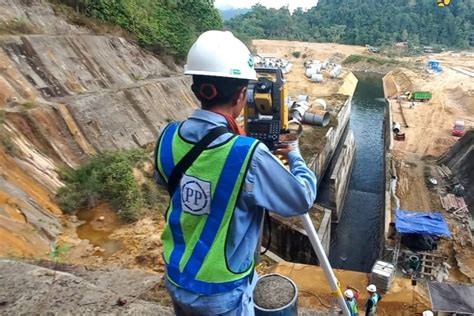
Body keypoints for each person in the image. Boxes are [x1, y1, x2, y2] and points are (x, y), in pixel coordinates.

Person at [154, 30, 317, 315]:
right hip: (221, 292)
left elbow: (169, 182)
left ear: (196, 88)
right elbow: (301, 199)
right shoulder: (248, 155)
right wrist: (295, 155)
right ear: (242, 95)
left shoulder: (167, 137)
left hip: (177, 274)